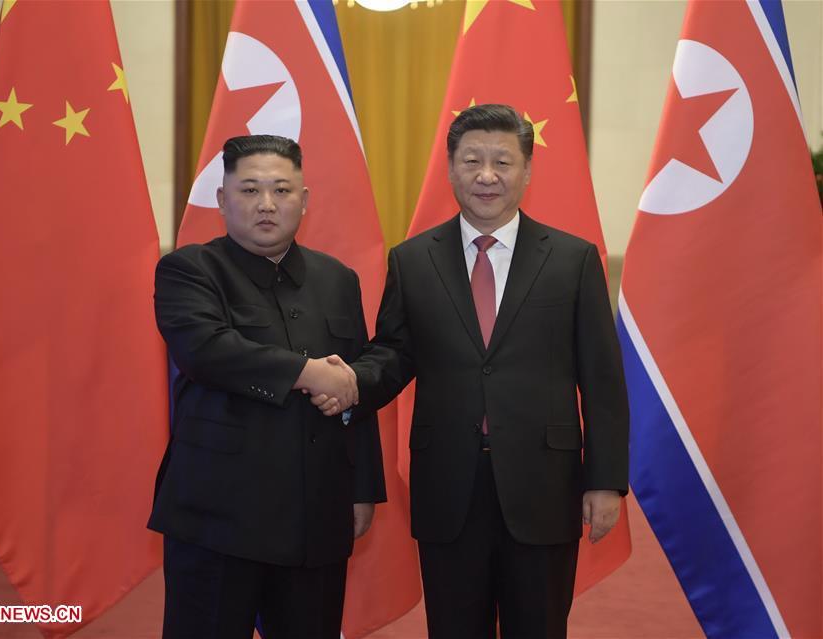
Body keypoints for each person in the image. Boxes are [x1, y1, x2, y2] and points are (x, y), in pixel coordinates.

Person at [316, 104, 629, 638]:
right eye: (472, 161)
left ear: (527, 171)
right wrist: (348, 383)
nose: (487, 175)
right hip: (448, 483)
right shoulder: (413, 260)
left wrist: (605, 482)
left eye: (502, 162)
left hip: (543, 483)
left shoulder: (573, 260)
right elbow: (394, 354)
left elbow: (601, 379)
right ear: (451, 168)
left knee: (540, 625)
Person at [149, 134, 386, 639]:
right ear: (222, 199)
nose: (266, 205)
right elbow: (206, 351)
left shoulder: (337, 278)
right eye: (250, 190)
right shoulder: (190, 270)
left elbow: (354, 384)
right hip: (218, 515)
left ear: (305, 199)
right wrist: (308, 373)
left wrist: (361, 488)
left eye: (282, 190)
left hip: (316, 515)